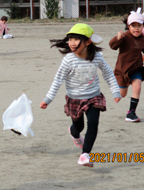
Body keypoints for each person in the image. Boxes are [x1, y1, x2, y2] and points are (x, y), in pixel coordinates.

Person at [40, 23, 121, 167]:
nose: (72, 43)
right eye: (70, 39)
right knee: (79, 127)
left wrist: (115, 91)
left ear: (88, 41)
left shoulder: (97, 57)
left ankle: (85, 155)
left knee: (93, 124)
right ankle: (73, 132)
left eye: (76, 39)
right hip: (75, 99)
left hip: (93, 96)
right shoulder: (68, 60)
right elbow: (58, 80)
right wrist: (48, 99)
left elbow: (108, 73)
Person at [109, 8, 144, 123]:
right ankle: (117, 90)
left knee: (137, 88)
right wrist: (117, 38)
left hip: (136, 68)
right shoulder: (125, 37)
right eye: (133, 26)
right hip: (122, 70)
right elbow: (112, 46)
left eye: (139, 25)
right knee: (122, 94)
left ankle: (131, 113)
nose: (136, 28)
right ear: (128, 26)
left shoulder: (143, 39)